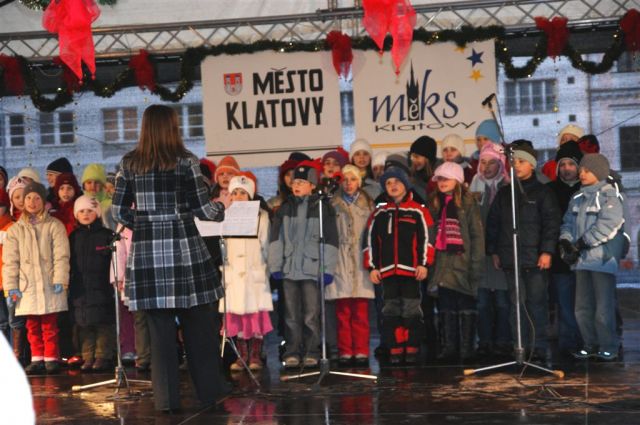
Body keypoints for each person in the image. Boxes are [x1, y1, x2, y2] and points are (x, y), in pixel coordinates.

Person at [112, 104, 229, 412]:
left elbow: (118, 212)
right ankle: (207, 395)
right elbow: (205, 210)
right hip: (185, 252)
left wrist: (147, 223)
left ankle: (166, 402)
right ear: (173, 127)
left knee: (159, 336)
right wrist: (222, 208)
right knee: (199, 330)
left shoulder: (129, 163)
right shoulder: (187, 161)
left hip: (148, 255)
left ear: (145, 127)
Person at [486, 140, 561, 361]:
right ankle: (519, 344)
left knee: (536, 304)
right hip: (511, 259)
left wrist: (547, 251)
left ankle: (538, 346)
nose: (517, 166)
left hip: (535, 260)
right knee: (515, 304)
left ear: (532, 165)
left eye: (521, 162)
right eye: (513, 162)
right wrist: (494, 251)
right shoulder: (503, 194)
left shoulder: (543, 193)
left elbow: (551, 224)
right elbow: (494, 224)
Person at [268, 159, 339, 369]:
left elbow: (331, 241)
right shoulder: (284, 209)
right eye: (294, 181)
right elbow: (276, 239)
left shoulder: (322, 208)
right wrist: (275, 266)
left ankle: (311, 351)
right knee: (290, 314)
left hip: (312, 269)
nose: (296, 185)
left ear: (312, 185)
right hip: (289, 269)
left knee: (310, 314)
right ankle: (291, 351)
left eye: (302, 181)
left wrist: (326, 269)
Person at [364, 166, 434, 364]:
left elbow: (428, 239)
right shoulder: (379, 213)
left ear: (406, 184)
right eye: (388, 183)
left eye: (396, 182)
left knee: (412, 309)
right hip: (386, 273)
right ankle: (395, 347)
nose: (393, 186)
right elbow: (369, 242)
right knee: (390, 310)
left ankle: (411, 346)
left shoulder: (418, 211)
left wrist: (424, 264)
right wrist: (372, 267)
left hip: (412, 271)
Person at [559, 154, 626, 361]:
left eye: (586, 171)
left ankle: (608, 345)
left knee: (603, 307)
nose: (582, 173)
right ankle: (590, 343)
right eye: (581, 171)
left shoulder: (609, 196)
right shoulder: (577, 197)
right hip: (581, 261)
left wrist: (582, 243)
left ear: (598, 172)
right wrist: (566, 242)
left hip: (601, 260)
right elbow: (567, 222)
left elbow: (609, 224)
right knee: (582, 307)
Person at [2, 181, 70, 375]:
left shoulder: (54, 226)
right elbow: (10, 262)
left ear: (43, 201)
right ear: (22, 201)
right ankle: (37, 358)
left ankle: (51, 358)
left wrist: (60, 279)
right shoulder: (15, 230)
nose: (32, 202)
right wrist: (11, 287)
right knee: (32, 326)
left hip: (49, 284)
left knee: (49, 325)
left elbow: (61, 255)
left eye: (36, 198)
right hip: (27, 286)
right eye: (28, 198)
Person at [427, 162, 484, 362]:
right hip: (442, 263)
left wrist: (475, 265)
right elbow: (431, 234)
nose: (442, 183)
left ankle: (467, 348)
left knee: (466, 304)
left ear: (457, 181)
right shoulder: (434, 203)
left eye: (446, 178)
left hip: (463, 262)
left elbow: (477, 236)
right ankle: (449, 347)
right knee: (446, 306)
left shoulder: (468, 203)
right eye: (439, 179)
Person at [220, 174, 273, 371]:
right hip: (233, 274)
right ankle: (241, 354)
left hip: (254, 273)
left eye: (243, 192)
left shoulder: (262, 216)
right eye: (235, 193)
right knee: (238, 315)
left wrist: (263, 268)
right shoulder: (224, 217)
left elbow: (266, 245)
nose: (239, 196)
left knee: (254, 314)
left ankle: (255, 355)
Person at [326, 165, 375, 367]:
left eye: (352, 179)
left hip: (361, 260)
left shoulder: (368, 204)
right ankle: (346, 351)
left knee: (361, 313)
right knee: (343, 312)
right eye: (345, 180)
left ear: (359, 182)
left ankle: (362, 350)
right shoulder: (332, 204)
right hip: (340, 260)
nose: (348, 184)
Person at [468, 143, 511, 358]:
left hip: (500, 254)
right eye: (483, 162)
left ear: (500, 164)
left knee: (503, 302)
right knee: (482, 301)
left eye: (491, 162)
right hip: (480, 254)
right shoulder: (473, 187)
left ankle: (503, 341)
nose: (486, 167)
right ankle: (484, 341)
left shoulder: (507, 187)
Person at [68, 195, 116, 372]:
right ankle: (87, 356)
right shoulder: (73, 236)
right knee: (84, 323)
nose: (86, 214)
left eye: (90, 210)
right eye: (82, 211)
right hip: (80, 286)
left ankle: (102, 356)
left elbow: (113, 260)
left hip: (102, 285)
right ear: (76, 215)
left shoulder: (106, 235)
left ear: (97, 213)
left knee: (103, 322)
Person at [547, 141, 584, 358]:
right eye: (563, 164)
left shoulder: (588, 188)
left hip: (587, 256)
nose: (567, 168)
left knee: (586, 303)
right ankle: (569, 343)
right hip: (560, 259)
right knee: (565, 303)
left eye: (571, 164)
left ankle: (589, 341)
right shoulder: (550, 190)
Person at [82, 163, 116, 230]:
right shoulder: (79, 205)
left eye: (97, 182)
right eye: (89, 182)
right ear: (84, 185)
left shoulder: (111, 205)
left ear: (103, 185)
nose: (93, 186)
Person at [408, 135, 437, 200]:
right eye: (412, 156)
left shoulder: (440, 173)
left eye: (416, 157)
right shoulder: (411, 173)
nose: (413, 160)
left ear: (428, 158)